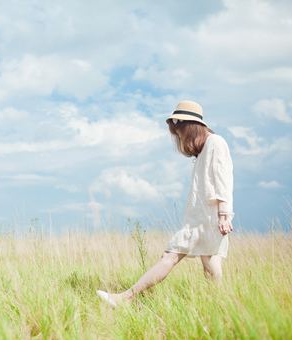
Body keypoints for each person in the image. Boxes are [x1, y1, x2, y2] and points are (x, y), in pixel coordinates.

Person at [97, 100, 234, 307]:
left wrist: (224, 215)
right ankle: (221, 308)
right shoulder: (203, 149)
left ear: (190, 126)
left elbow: (223, 179)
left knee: (173, 257)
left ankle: (125, 299)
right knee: (209, 264)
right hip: (199, 217)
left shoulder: (216, 142)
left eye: (179, 130)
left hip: (210, 218)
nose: (178, 135)